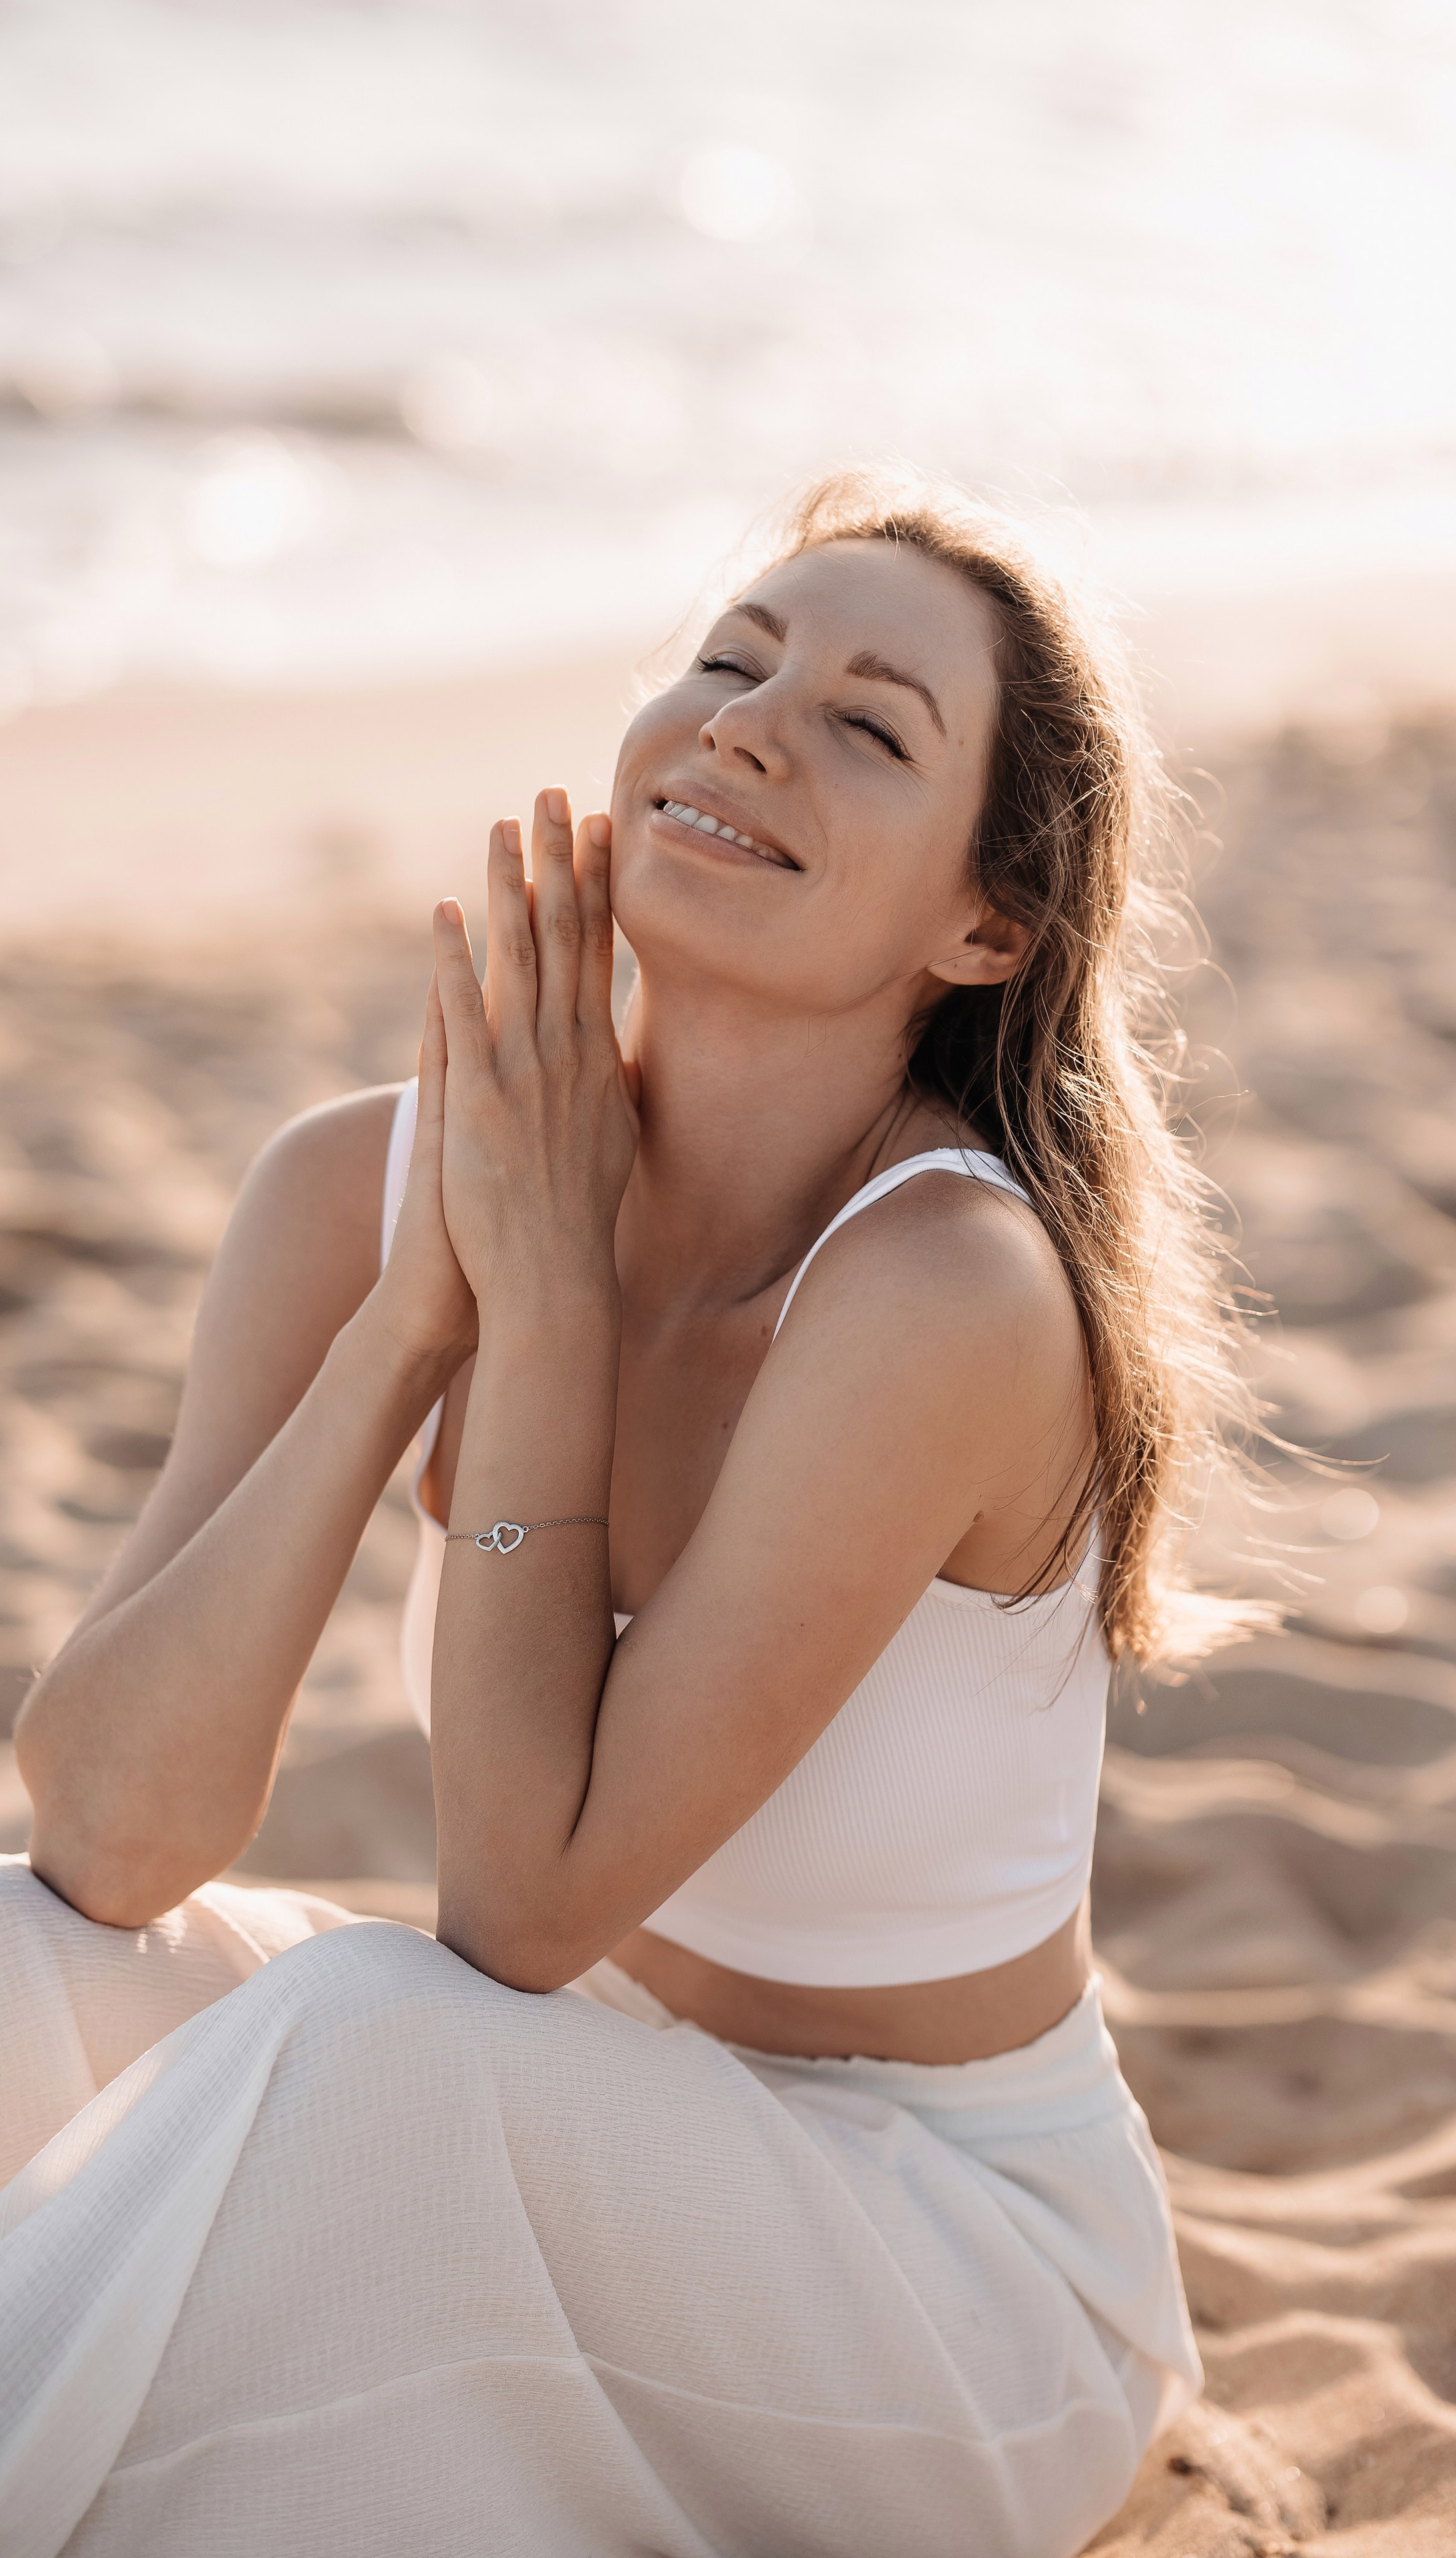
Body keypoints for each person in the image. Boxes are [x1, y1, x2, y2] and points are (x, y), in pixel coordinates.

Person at [1, 472, 1251, 2558]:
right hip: (562, 2108)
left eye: (869, 725)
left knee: (373, 2039)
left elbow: (519, 1906)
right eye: (729, 659)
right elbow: (112, 1837)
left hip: (936, 2275)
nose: (748, 725)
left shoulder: (946, 1291)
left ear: (986, 925)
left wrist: (552, 1303)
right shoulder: (350, 1189)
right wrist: (419, 1314)